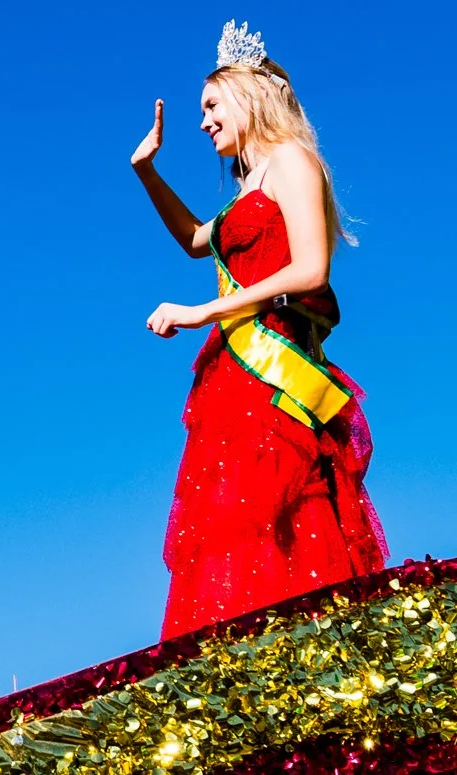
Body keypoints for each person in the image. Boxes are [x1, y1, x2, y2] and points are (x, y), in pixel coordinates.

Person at [131, 21, 386, 640]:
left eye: (212, 105)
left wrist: (200, 312)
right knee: (226, 534)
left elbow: (310, 269)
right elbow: (199, 241)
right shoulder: (245, 188)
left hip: (272, 386)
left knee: (282, 524)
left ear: (249, 94)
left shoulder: (291, 161)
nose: (202, 123)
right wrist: (146, 172)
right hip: (229, 386)